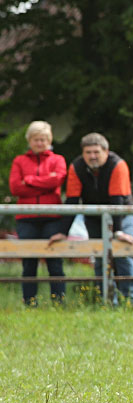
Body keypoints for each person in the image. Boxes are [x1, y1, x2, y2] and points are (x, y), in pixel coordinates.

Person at [50, 132, 133, 303]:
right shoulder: (77, 166)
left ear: (106, 151)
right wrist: (63, 231)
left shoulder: (117, 165)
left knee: (122, 255)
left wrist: (118, 231)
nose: (92, 156)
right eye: (88, 152)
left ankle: (130, 301)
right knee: (99, 257)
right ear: (83, 154)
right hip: (94, 218)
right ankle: (106, 300)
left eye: (96, 152)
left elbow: (117, 201)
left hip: (122, 214)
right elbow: (72, 200)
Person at [9, 121, 68, 305]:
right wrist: (45, 183)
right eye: (36, 139)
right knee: (29, 263)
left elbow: (57, 180)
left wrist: (30, 181)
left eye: (43, 139)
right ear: (30, 141)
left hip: (52, 217)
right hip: (27, 218)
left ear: (49, 140)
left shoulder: (57, 160)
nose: (39, 143)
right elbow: (15, 188)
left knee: (55, 262)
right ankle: (29, 302)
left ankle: (58, 301)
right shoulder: (20, 161)